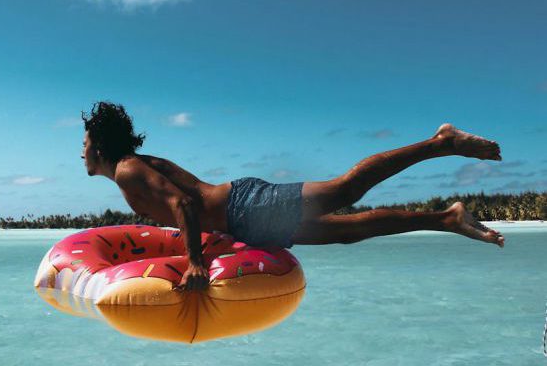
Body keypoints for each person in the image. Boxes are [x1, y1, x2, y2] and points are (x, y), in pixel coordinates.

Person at [80, 101, 505, 292]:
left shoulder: (128, 170)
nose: (81, 151)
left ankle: (439, 143)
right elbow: (184, 206)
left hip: (245, 207)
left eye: (84, 143)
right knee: (347, 232)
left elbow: (184, 204)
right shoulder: (133, 167)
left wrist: (194, 262)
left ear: (98, 144)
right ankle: (445, 219)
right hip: (244, 218)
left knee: (345, 188)